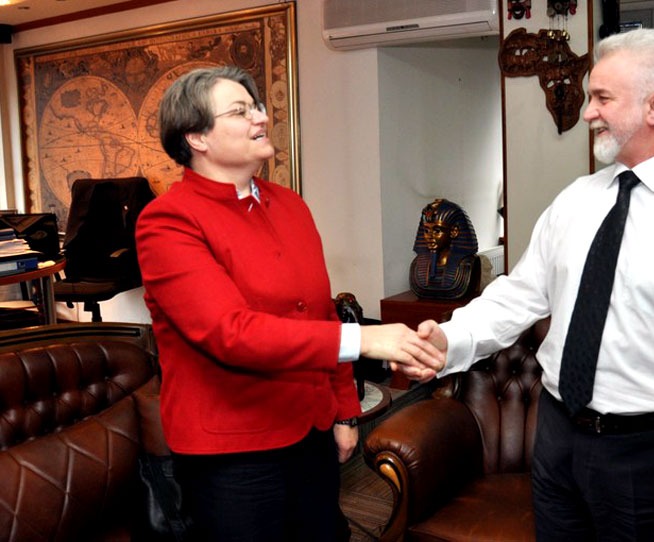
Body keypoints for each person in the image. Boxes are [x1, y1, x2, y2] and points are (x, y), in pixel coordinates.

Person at [397, 29, 654, 542]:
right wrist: (450, 338)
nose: (586, 113)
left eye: (602, 98)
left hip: (653, 454)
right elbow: (521, 293)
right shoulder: (575, 200)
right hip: (556, 440)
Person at [135, 66, 442, 541]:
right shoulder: (167, 222)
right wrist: (366, 339)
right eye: (240, 111)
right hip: (231, 452)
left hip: (309, 431)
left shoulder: (290, 205)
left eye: (257, 107)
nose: (261, 118)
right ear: (196, 137)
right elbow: (231, 333)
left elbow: (319, 313)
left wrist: (344, 411)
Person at [409, 198, 480, 299]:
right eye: (426, 230)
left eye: (437, 231)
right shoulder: (416, 264)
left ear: (454, 232)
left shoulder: (467, 264)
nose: (429, 236)